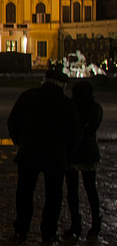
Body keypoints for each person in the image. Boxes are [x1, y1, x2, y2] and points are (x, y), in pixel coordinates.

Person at [7, 69, 81, 243]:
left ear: (44, 80)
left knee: (24, 193)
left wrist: (20, 141)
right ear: (62, 85)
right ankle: (48, 231)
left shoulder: (28, 96)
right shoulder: (65, 103)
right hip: (54, 156)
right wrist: (67, 152)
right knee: (53, 196)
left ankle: (21, 228)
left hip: (28, 153)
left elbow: (13, 122)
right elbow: (75, 132)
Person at [66, 80, 103, 238]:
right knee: (91, 189)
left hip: (73, 151)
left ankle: (76, 223)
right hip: (89, 150)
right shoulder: (95, 109)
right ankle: (95, 223)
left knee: (72, 190)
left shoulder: (71, 108)